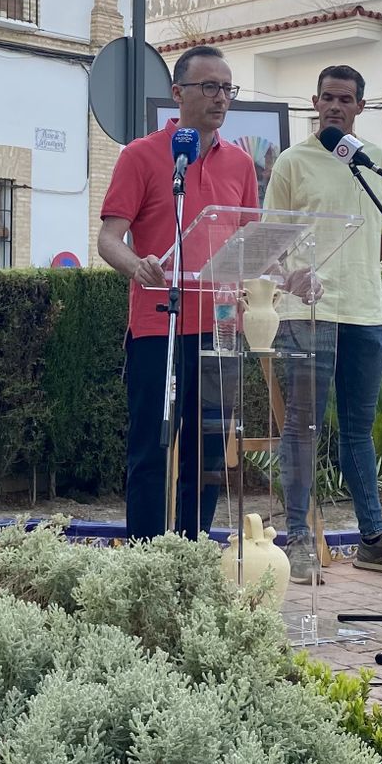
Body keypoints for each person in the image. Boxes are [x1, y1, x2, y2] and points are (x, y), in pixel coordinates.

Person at [263, 64, 382, 583]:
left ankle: (373, 541)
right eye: (327, 98)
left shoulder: (375, 162)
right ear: (315, 102)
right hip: (306, 314)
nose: (335, 106)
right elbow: (270, 242)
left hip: (363, 311)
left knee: (358, 430)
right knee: (302, 426)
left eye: (345, 99)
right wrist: (296, 276)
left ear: (361, 105)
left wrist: (346, 270)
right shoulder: (292, 162)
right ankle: (297, 540)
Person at [98, 45, 258, 539]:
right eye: (209, 87)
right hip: (158, 326)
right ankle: (147, 558)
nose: (220, 98)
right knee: (151, 449)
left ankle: (192, 552)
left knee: (207, 455)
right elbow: (109, 239)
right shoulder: (140, 155)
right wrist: (137, 265)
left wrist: (282, 276)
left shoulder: (241, 164)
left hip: (221, 328)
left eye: (227, 88)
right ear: (177, 93)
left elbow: (250, 241)